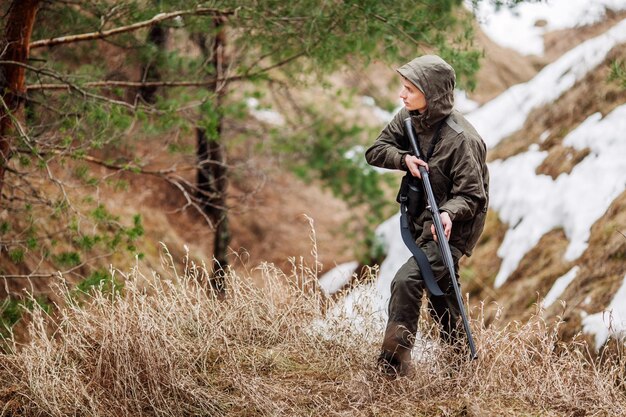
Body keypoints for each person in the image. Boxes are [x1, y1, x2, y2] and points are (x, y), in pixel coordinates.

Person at [365, 55, 489, 377]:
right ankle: (463, 365)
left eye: (409, 89)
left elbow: (474, 196)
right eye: (403, 88)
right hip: (423, 220)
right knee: (441, 293)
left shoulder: (463, 140)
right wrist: (403, 158)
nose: (401, 95)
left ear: (430, 93)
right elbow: (375, 150)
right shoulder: (409, 118)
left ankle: (392, 368)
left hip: (454, 229)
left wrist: (447, 213)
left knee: (407, 281)